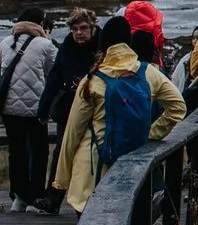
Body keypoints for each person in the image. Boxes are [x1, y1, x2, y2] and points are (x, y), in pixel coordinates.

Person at [53, 15, 187, 214]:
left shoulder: (92, 80)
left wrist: (62, 179)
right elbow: (178, 107)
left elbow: (73, 132)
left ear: (104, 44)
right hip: (134, 167)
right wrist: (150, 134)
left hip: (93, 168)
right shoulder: (148, 72)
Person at [0, 6, 59, 212]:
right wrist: (48, 39)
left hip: (8, 107)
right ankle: (36, 196)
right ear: (41, 24)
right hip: (35, 108)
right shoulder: (45, 45)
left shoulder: (5, 42)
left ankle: (18, 196)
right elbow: (53, 71)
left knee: (16, 150)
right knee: (39, 151)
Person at [37, 7, 102, 211]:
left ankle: (94, 199)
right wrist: (43, 108)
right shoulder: (67, 46)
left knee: (92, 154)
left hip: (96, 108)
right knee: (62, 150)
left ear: (92, 27)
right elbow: (54, 76)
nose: (78, 33)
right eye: (74, 29)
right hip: (69, 106)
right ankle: (53, 198)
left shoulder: (103, 46)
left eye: (83, 28)